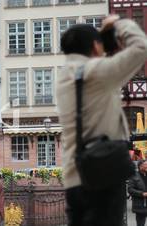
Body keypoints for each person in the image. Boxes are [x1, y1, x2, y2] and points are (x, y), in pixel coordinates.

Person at [57, 15, 147, 226]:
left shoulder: (65, 76)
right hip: (103, 174)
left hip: (75, 177)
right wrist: (118, 24)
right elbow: (141, 47)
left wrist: (102, 49)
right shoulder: (97, 73)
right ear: (95, 46)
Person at [129, 160, 147, 226]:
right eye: (146, 164)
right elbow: (130, 190)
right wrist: (142, 194)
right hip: (140, 205)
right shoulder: (134, 176)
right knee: (140, 223)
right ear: (140, 166)